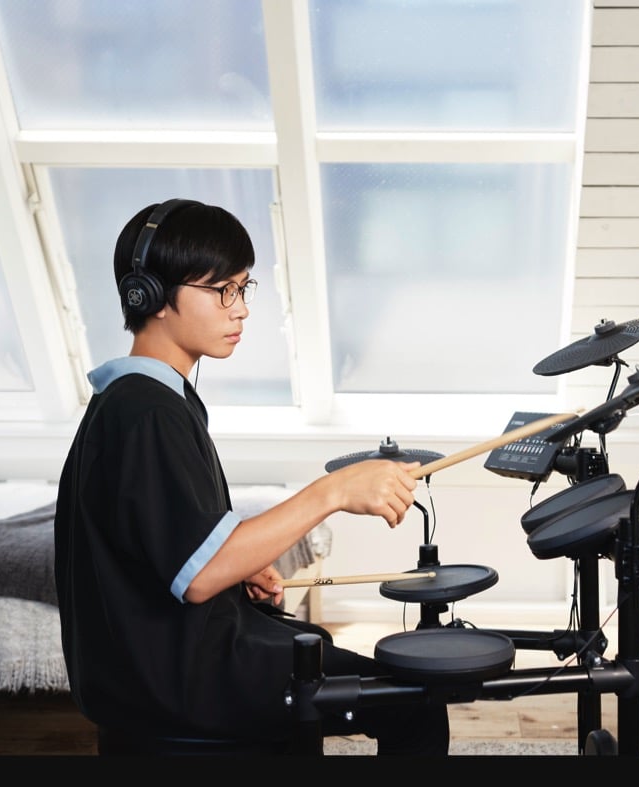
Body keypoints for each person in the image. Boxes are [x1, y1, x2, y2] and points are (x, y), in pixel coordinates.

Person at [54, 198, 449, 755]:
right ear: (150, 295)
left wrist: (238, 568)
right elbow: (198, 577)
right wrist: (333, 491)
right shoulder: (146, 413)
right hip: (178, 680)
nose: (240, 310)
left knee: (312, 642)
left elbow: (174, 549)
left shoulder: (138, 400)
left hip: (165, 666)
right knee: (414, 703)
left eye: (243, 289)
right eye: (222, 291)